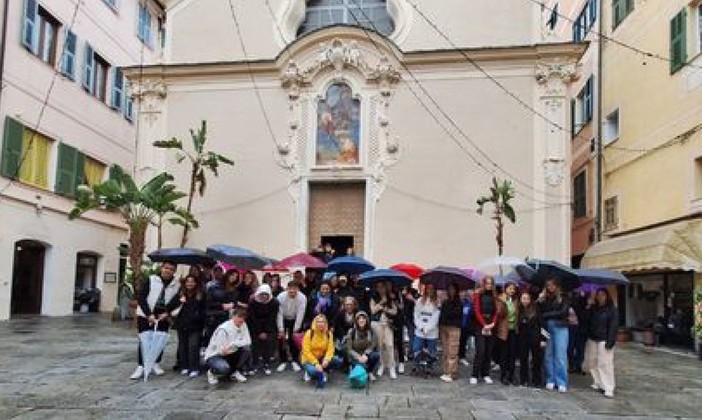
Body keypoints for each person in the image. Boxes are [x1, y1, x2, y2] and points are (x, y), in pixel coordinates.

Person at [130, 261, 183, 380]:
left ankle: (155, 363)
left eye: (171, 269)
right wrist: (149, 314)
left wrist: (167, 313)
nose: (167, 270)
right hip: (146, 314)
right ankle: (141, 366)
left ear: (174, 271)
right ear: (162, 268)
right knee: (145, 341)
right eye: (166, 268)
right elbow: (141, 298)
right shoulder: (151, 279)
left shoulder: (177, 284)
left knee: (160, 340)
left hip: (163, 316)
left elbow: (176, 301)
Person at [584, 288, 618, 398]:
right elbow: (586, 320)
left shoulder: (612, 310)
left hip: (604, 339)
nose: (600, 297)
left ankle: (608, 387)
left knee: (605, 364)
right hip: (593, 338)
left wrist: (611, 341)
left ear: (607, 296)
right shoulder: (594, 308)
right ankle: (598, 382)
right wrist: (588, 307)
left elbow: (614, 326)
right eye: (598, 295)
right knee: (592, 362)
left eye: (602, 295)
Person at [204, 308, 252, 385]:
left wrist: (233, 344)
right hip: (215, 355)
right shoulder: (223, 329)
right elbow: (221, 350)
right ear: (233, 316)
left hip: (232, 351)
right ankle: (212, 372)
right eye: (239, 317)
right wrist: (238, 343)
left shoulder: (243, 324)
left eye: (243, 317)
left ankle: (234, 371)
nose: (241, 320)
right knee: (224, 368)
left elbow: (248, 341)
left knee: (247, 349)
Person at [538, 278, 570, 393]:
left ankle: (561, 381)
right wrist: (540, 301)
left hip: (561, 327)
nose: (550, 287)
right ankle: (550, 379)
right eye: (548, 285)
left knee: (560, 355)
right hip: (547, 327)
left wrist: (548, 314)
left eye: (552, 285)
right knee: (548, 354)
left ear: (557, 286)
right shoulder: (544, 297)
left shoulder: (564, 297)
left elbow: (564, 312)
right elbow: (540, 313)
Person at [175, 274, 206, 377]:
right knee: (182, 346)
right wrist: (180, 301)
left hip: (195, 325)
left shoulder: (200, 295)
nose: (190, 283)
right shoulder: (180, 294)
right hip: (182, 324)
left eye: (192, 281)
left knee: (193, 346)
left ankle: (194, 367)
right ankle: (184, 366)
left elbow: (204, 309)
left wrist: (199, 318)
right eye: (188, 281)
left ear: (196, 283)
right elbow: (171, 306)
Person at [470, 276, 499, 385]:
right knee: (480, 350)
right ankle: (474, 374)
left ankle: (485, 374)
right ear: (483, 284)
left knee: (488, 351)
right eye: (487, 283)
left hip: (491, 324)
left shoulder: (495, 296)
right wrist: (484, 325)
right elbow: (476, 311)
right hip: (480, 324)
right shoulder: (478, 295)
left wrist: (493, 324)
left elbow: (497, 312)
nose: (489, 285)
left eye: (491, 283)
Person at [247, 284, 280, 375]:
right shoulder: (252, 302)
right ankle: (255, 364)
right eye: (262, 294)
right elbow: (252, 318)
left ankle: (266, 363)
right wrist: (259, 332)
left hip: (269, 327)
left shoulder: (274, 302)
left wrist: (265, 332)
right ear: (258, 294)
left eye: (266, 294)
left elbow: (272, 318)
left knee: (268, 344)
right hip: (255, 327)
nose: (264, 296)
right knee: (255, 345)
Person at [301, 314, 340, 388]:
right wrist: (315, 363)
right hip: (308, 360)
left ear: (326, 323)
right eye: (318, 322)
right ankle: (309, 372)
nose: (320, 324)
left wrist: (326, 360)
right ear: (315, 323)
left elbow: (330, 349)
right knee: (313, 371)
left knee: (337, 360)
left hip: (321, 358)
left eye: (323, 322)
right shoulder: (309, 333)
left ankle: (324, 370)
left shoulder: (329, 334)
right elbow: (306, 351)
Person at [276, 280, 307, 372]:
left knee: (294, 340)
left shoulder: (302, 297)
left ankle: (294, 360)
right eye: (290, 289)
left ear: (298, 289)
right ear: (287, 289)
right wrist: (281, 328)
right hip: (283, 318)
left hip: (295, 319)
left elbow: (301, 313)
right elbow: (279, 313)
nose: (292, 291)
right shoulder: (281, 296)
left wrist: (296, 329)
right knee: (281, 340)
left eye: (294, 289)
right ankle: (283, 361)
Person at [370, 281, 399, 379]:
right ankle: (382, 365)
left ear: (385, 287)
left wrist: (386, 309)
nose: (380, 289)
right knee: (380, 345)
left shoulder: (391, 298)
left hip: (387, 324)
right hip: (377, 324)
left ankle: (391, 367)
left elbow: (395, 311)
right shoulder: (374, 297)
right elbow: (373, 310)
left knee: (389, 345)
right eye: (378, 287)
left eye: (382, 287)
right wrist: (381, 302)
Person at [517, 291, 545, 387]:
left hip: (535, 337)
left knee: (536, 360)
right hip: (522, 338)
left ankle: (537, 381)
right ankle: (523, 380)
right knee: (523, 359)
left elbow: (543, 324)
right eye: (523, 298)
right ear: (520, 299)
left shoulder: (536, 308)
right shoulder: (518, 309)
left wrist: (543, 339)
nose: (525, 301)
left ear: (530, 299)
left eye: (527, 298)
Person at [203, 269, 238, 347]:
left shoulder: (234, 290)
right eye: (232, 275)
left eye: (236, 276)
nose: (234, 278)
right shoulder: (214, 287)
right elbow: (208, 302)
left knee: (222, 342)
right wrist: (221, 305)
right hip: (213, 318)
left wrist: (233, 305)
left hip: (226, 319)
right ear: (227, 275)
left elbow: (234, 303)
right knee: (211, 341)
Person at [344, 311, 380, 381]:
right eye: (359, 319)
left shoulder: (371, 331)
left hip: (366, 355)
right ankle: (364, 370)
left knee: (376, 355)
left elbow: (373, 345)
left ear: (366, 320)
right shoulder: (351, 331)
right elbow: (349, 349)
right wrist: (358, 357)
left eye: (363, 318)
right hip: (355, 355)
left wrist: (365, 354)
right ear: (356, 321)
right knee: (360, 368)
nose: (361, 320)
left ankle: (369, 371)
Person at [439, 283, 462, 382]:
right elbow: (442, 315)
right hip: (444, 327)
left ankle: (451, 373)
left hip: (454, 327)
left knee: (453, 350)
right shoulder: (445, 302)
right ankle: (445, 371)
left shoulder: (459, 302)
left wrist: (447, 315)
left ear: (456, 291)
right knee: (445, 350)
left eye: (453, 289)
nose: (451, 291)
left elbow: (456, 315)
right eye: (449, 289)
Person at [497, 282, 519, 385]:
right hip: (503, 330)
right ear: (505, 289)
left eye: (513, 289)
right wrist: (503, 303)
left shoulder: (515, 300)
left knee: (513, 353)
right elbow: (499, 314)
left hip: (513, 330)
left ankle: (511, 375)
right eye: (510, 288)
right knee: (504, 354)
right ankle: (503, 375)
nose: (512, 291)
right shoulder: (500, 299)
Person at [413, 283, 440, 360]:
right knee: (416, 348)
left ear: (434, 290)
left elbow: (435, 317)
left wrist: (427, 328)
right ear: (425, 290)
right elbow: (416, 315)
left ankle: (429, 367)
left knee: (431, 351)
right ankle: (418, 366)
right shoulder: (419, 300)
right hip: (419, 330)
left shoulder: (437, 302)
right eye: (428, 288)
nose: (430, 290)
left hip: (432, 332)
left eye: (432, 288)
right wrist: (421, 327)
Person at [568, 290, 589, 375]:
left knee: (580, 349)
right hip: (570, 327)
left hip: (581, 328)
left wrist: (588, 305)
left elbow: (586, 315)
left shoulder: (585, 298)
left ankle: (578, 366)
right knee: (569, 348)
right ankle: (572, 365)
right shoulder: (567, 297)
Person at [390, 284, 407, 374]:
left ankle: (401, 363)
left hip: (399, 321)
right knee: (390, 343)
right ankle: (391, 363)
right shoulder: (387, 294)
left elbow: (402, 307)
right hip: (389, 321)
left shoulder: (400, 294)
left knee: (400, 342)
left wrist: (396, 301)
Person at [458, 289, 474, 367]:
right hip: (457, 326)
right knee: (456, 343)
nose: (463, 293)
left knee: (463, 343)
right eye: (462, 292)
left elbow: (471, 314)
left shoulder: (469, 303)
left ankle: (462, 357)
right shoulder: (457, 302)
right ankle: (455, 357)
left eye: (464, 292)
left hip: (465, 326)